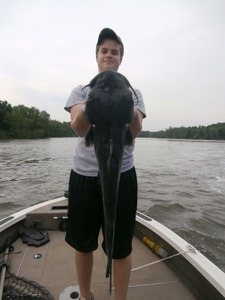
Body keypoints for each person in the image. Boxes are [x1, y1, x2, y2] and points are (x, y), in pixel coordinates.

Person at [64, 28, 146, 300]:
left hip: (122, 176)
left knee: (121, 246)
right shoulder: (82, 90)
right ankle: (85, 295)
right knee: (83, 244)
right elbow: (78, 128)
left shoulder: (132, 92)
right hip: (84, 177)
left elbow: (133, 132)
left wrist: (128, 106)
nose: (109, 55)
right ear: (97, 56)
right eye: (105, 51)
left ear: (120, 58)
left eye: (115, 52)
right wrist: (92, 104)